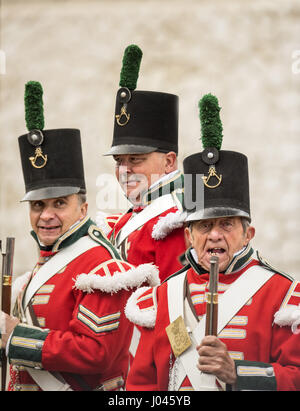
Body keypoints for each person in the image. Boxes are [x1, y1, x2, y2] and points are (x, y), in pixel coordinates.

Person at [125, 94, 300, 391]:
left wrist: (238, 372)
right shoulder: (164, 296)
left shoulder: (284, 295)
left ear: (248, 234)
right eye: (204, 225)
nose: (215, 234)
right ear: (188, 236)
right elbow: (141, 385)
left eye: (227, 224)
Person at [0, 81, 159, 391]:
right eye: (38, 205)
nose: (46, 215)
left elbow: (95, 353)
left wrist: (16, 336)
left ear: (83, 207)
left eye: (60, 203)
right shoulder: (34, 272)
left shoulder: (102, 269)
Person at [98, 45, 188, 283]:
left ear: (169, 162)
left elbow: (173, 305)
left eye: (135, 159)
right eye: (119, 161)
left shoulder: (174, 219)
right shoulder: (132, 217)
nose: (124, 170)